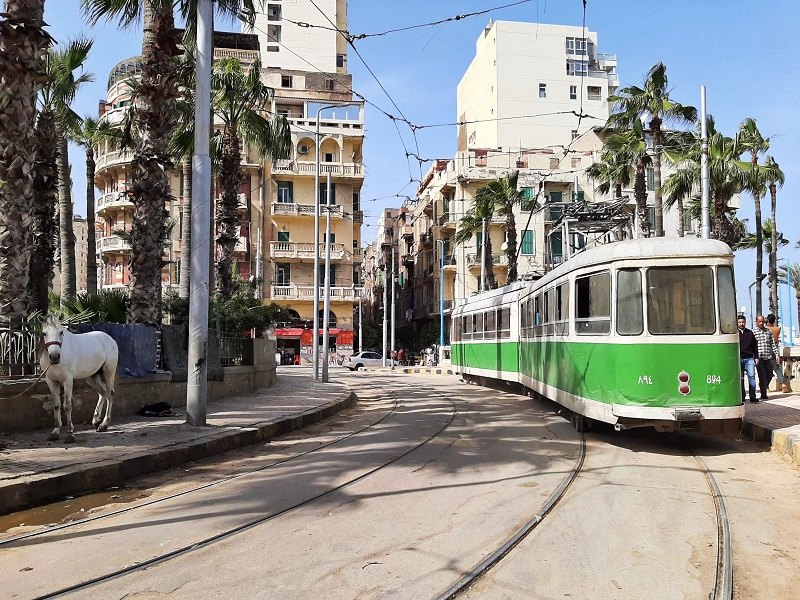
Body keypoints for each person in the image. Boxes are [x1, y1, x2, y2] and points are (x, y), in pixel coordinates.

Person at [753, 314, 781, 400]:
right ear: (756, 322)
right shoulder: (753, 332)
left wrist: (777, 355)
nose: (761, 323)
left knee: (769, 374)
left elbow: (772, 344)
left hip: (768, 357)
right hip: (759, 358)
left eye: (762, 321)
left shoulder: (768, 332)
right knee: (762, 376)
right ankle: (763, 394)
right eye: (759, 321)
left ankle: (763, 386)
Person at [766, 314, 790, 392]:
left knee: (766, 370)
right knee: (777, 369)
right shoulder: (777, 329)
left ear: (768, 320)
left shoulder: (766, 329)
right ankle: (783, 383)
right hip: (775, 349)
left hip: (766, 349)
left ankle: (766, 386)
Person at [738, 315, 758, 403]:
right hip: (738, 358)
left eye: (743, 322)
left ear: (745, 322)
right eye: (740, 322)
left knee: (752, 376)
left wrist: (756, 357)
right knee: (740, 378)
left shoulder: (750, 333)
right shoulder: (734, 333)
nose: (741, 324)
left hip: (749, 358)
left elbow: (755, 346)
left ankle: (753, 396)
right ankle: (742, 396)